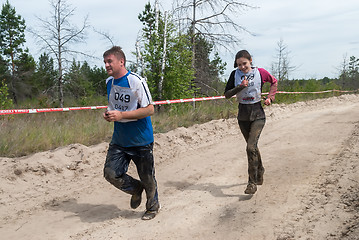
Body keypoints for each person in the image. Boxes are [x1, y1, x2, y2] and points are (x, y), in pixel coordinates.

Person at [102, 46, 160, 220]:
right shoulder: (109, 83)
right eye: (104, 62)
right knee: (110, 173)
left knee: (147, 177)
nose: (106, 65)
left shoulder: (136, 81)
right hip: (120, 139)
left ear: (121, 61)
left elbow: (150, 110)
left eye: (109, 61)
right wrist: (109, 114)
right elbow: (115, 107)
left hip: (141, 139)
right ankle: (136, 189)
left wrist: (121, 115)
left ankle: (152, 207)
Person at [224, 50, 278, 194]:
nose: (242, 67)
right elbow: (227, 95)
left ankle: (251, 182)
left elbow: (274, 82)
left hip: (258, 115)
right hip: (243, 116)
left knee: (250, 147)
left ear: (251, 61)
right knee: (252, 147)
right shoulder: (234, 75)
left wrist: (270, 97)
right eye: (239, 65)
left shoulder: (260, 72)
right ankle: (260, 170)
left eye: (244, 64)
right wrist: (240, 87)